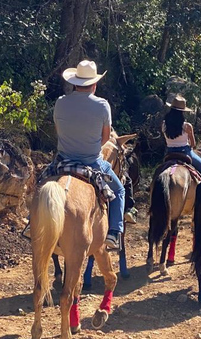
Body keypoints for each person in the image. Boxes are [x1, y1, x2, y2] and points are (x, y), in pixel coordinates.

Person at [53, 60, 125, 250]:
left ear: (75, 83)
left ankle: (30, 223)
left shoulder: (60, 102)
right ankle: (114, 233)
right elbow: (106, 137)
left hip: (63, 160)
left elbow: (58, 130)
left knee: (41, 186)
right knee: (119, 191)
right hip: (92, 162)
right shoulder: (102, 105)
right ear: (94, 84)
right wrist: (91, 147)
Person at [162, 95, 201, 175]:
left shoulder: (164, 124)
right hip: (185, 152)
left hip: (169, 152)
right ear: (182, 112)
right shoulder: (187, 126)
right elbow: (193, 144)